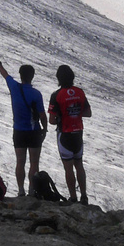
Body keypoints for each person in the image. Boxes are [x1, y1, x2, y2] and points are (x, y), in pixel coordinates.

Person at [0, 57, 47, 196]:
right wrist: (44, 130)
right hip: (34, 131)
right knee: (34, 162)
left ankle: (21, 190)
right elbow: (42, 115)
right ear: (32, 77)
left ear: (21, 75)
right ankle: (31, 191)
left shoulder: (14, 87)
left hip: (18, 131)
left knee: (20, 162)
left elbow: (5, 75)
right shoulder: (36, 94)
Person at [49, 63, 90, 204]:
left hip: (64, 133)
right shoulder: (79, 92)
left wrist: (63, 115)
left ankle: (73, 197)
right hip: (78, 132)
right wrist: (75, 112)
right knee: (79, 164)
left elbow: (52, 120)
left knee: (68, 167)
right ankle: (84, 196)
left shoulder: (56, 95)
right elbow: (88, 112)